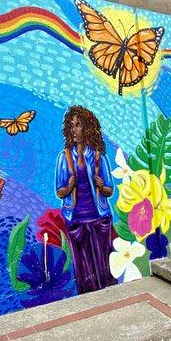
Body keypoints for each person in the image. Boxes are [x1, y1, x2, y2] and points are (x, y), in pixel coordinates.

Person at [55, 106, 117, 294]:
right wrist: (69, 187)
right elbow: (60, 191)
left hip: (99, 219)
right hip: (76, 221)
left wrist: (100, 185)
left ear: (87, 128)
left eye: (78, 125)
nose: (74, 129)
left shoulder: (99, 156)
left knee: (104, 265)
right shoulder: (63, 158)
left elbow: (109, 190)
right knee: (83, 269)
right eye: (71, 126)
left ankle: (111, 298)